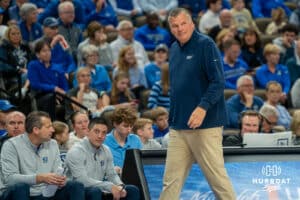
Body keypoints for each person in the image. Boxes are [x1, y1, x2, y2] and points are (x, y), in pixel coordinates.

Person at [160, 8, 235, 199]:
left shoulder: (206, 45)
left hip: (206, 125)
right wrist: (173, 118)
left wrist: (203, 107)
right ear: (170, 28)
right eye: (175, 25)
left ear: (192, 24)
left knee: (218, 181)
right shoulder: (174, 49)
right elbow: (178, 88)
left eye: (183, 23)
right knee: (170, 182)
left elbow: (218, 82)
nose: (179, 28)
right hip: (178, 127)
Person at [0, 111, 85, 199]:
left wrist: (61, 180)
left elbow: (57, 171)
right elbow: (9, 179)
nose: (53, 130)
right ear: (36, 130)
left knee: (75, 185)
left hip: (45, 193)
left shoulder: (52, 144)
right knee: (20, 187)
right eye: (48, 127)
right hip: (23, 193)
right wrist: (39, 178)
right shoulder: (11, 145)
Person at [66, 117, 140, 200]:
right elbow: (82, 180)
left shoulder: (106, 150)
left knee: (132, 190)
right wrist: (109, 186)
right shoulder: (76, 151)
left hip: (100, 188)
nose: (100, 136)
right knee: (95, 191)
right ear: (88, 131)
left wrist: (120, 186)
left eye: (104, 133)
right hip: (78, 192)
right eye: (96, 131)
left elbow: (112, 174)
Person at [104, 107, 142, 174]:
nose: (129, 129)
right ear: (115, 124)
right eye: (125, 126)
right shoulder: (104, 141)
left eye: (131, 126)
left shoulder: (136, 140)